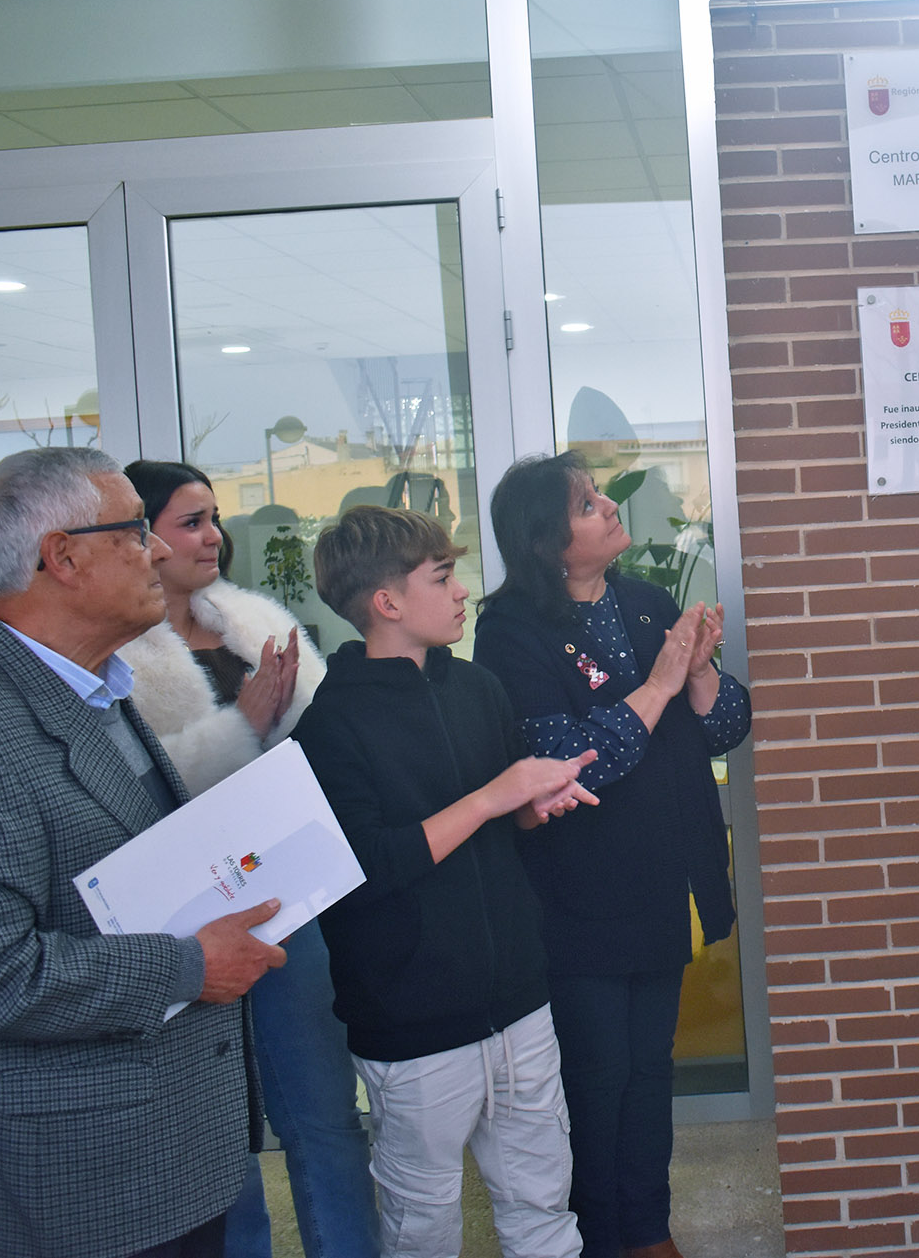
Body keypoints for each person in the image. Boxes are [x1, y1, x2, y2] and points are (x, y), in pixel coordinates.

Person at [0, 446, 287, 1258]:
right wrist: (192, 964)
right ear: (62, 557)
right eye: (134, 531)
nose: (156, 551)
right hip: (70, 1185)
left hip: (162, 1151)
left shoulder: (97, 689)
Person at [290, 505, 597, 1258]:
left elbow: (496, 825)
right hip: (413, 1028)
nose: (462, 591)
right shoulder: (330, 722)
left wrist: (529, 806)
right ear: (387, 602)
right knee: (422, 1229)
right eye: (441, 577)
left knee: (544, 1207)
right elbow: (364, 870)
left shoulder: (478, 688)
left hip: (519, 1001)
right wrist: (495, 796)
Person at [472, 453, 749, 1258]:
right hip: (580, 895)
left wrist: (699, 673)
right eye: (587, 503)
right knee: (598, 1078)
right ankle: (599, 1236)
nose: (607, 507)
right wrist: (660, 683)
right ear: (546, 540)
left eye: (598, 496)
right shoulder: (512, 629)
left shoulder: (647, 602)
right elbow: (568, 762)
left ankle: (648, 1228)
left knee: (651, 1071)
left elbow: (727, 725)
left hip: (664, 878)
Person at [116, 461, 376, 1258]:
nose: (214, 536)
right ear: (142, 536)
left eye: (215, 518)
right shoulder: (117, 653)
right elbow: (132, 794)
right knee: (217, 1131)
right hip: (187, 920)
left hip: (288, 899)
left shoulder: (253, 622)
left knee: (324, 1111)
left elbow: (329, 750)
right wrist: (243, 723)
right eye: (192, 521)